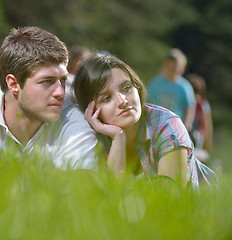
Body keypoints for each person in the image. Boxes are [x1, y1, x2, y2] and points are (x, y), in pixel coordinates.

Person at [0, 26, 98, 170]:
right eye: (47, 81)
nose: (61, 92)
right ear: (13, 84)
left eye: (62, 80)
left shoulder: (73, 120)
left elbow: (80, 189)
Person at [73, 52, 217, 188]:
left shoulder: (166, 124)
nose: (122, 101)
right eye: (106, 98)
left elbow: (170, 199)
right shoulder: (91, 140)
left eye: (126, 88)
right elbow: (111, 198)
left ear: (137, 87)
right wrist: (118, 139)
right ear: (91, 110)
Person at [147, 48, 195, 131]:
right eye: (170, 65)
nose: (172, 69)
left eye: (175, 66)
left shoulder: (184, 86)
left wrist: (188, 124)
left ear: (182, 68)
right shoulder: (156, 82)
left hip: (177, 126)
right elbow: (148, 101)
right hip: (157, 124)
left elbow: (190, 107)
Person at [186, 73, 213, 162]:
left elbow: (207, 125)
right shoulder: (203, 103)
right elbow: (208, 127)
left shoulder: (201, 104)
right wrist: (207, 144)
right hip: (198, 135)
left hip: (195, 135)